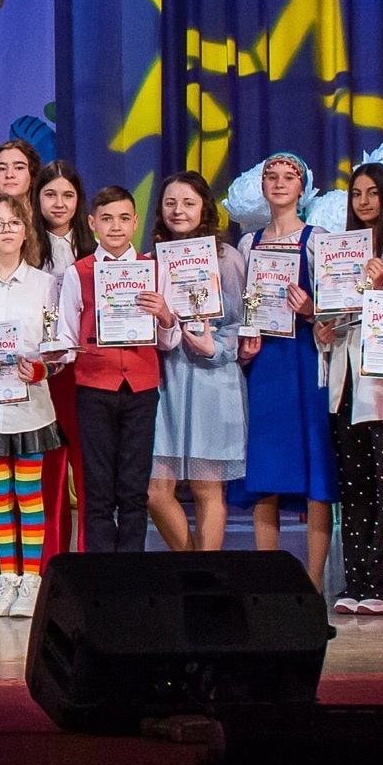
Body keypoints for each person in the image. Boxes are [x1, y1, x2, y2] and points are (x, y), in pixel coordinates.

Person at [0, 192, 72, 619]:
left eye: (14, 222)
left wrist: (42, 368)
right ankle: (6, 582)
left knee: (29, 495)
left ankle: (32, 583)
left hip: (30, 403)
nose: (6, 230)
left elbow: (60, 347)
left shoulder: (46, 284)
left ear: (26, 231)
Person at [231, 153, 337, 585]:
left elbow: (339, 308)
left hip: (305, 361)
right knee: (265, 470)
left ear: (302, 188)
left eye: (288, 177)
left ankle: (313, 582)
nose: (278, 183)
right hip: (265, 365)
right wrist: (244, 346)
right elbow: (242, 308)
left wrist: (312, 309)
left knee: (315, 469)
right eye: (270, 176)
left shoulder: (317, 240)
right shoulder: (247, 244)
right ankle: (269, 581)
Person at [315, 163, 383, 614]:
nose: (364, 202)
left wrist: (381, 285)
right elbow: (331, 319)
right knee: (353, 485)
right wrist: (323, 329)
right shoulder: (340, 250)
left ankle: (382, 582)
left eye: (373, 193)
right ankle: (353, 581)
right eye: (357, 194)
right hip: (345, 378)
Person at [149, 173, 247, 555]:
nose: (178, 211)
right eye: (170, 203)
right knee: (155, 491)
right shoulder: (151, 261)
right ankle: (195, 567)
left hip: (212, 381)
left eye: (188, 203)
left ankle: (203, 575)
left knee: (208, 489)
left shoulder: (228, 259)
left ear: (205, 207)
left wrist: (214, 347)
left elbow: (241, 324)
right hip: (166, 381)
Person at [72, 186, 172, 554]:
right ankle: (103, 572)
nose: (116, 226)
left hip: (141, 388)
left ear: (135, 223)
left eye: (124, 218)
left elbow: (169, 340)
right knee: (98, 488)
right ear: (92, 223)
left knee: (134, 488)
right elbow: (66, 334)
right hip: (94, 388)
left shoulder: (155, 270)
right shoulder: (78, 273)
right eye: (107, 219)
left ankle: (131, 571)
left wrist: (164, 315)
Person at [29, 159, 94, 562]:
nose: (59, 203)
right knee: (48, 475)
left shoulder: (94, 249)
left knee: (87, 474)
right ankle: (50, 566)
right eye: (50, 194)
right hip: (41, 372)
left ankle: (86, 565)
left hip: (84, 372)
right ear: (36, 199)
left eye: (67, 195)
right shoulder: (26, 249)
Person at [0, 139, 40, 208]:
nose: (9, 175)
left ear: (32, 175)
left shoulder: (45, 213)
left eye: (19, 168)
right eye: (2, 169)